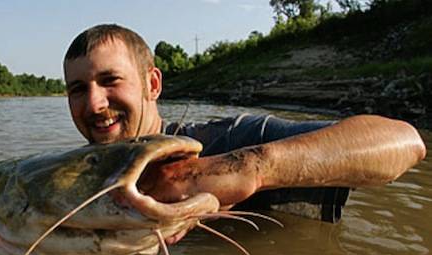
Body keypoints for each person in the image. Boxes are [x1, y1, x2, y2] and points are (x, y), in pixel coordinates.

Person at [63, 24, 426, 224]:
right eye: (78, 89)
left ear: (152, 84)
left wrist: (248, 168)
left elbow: (404, 141)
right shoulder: (71, 179)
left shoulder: (228, 140)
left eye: (111, 81)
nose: (95, 103)